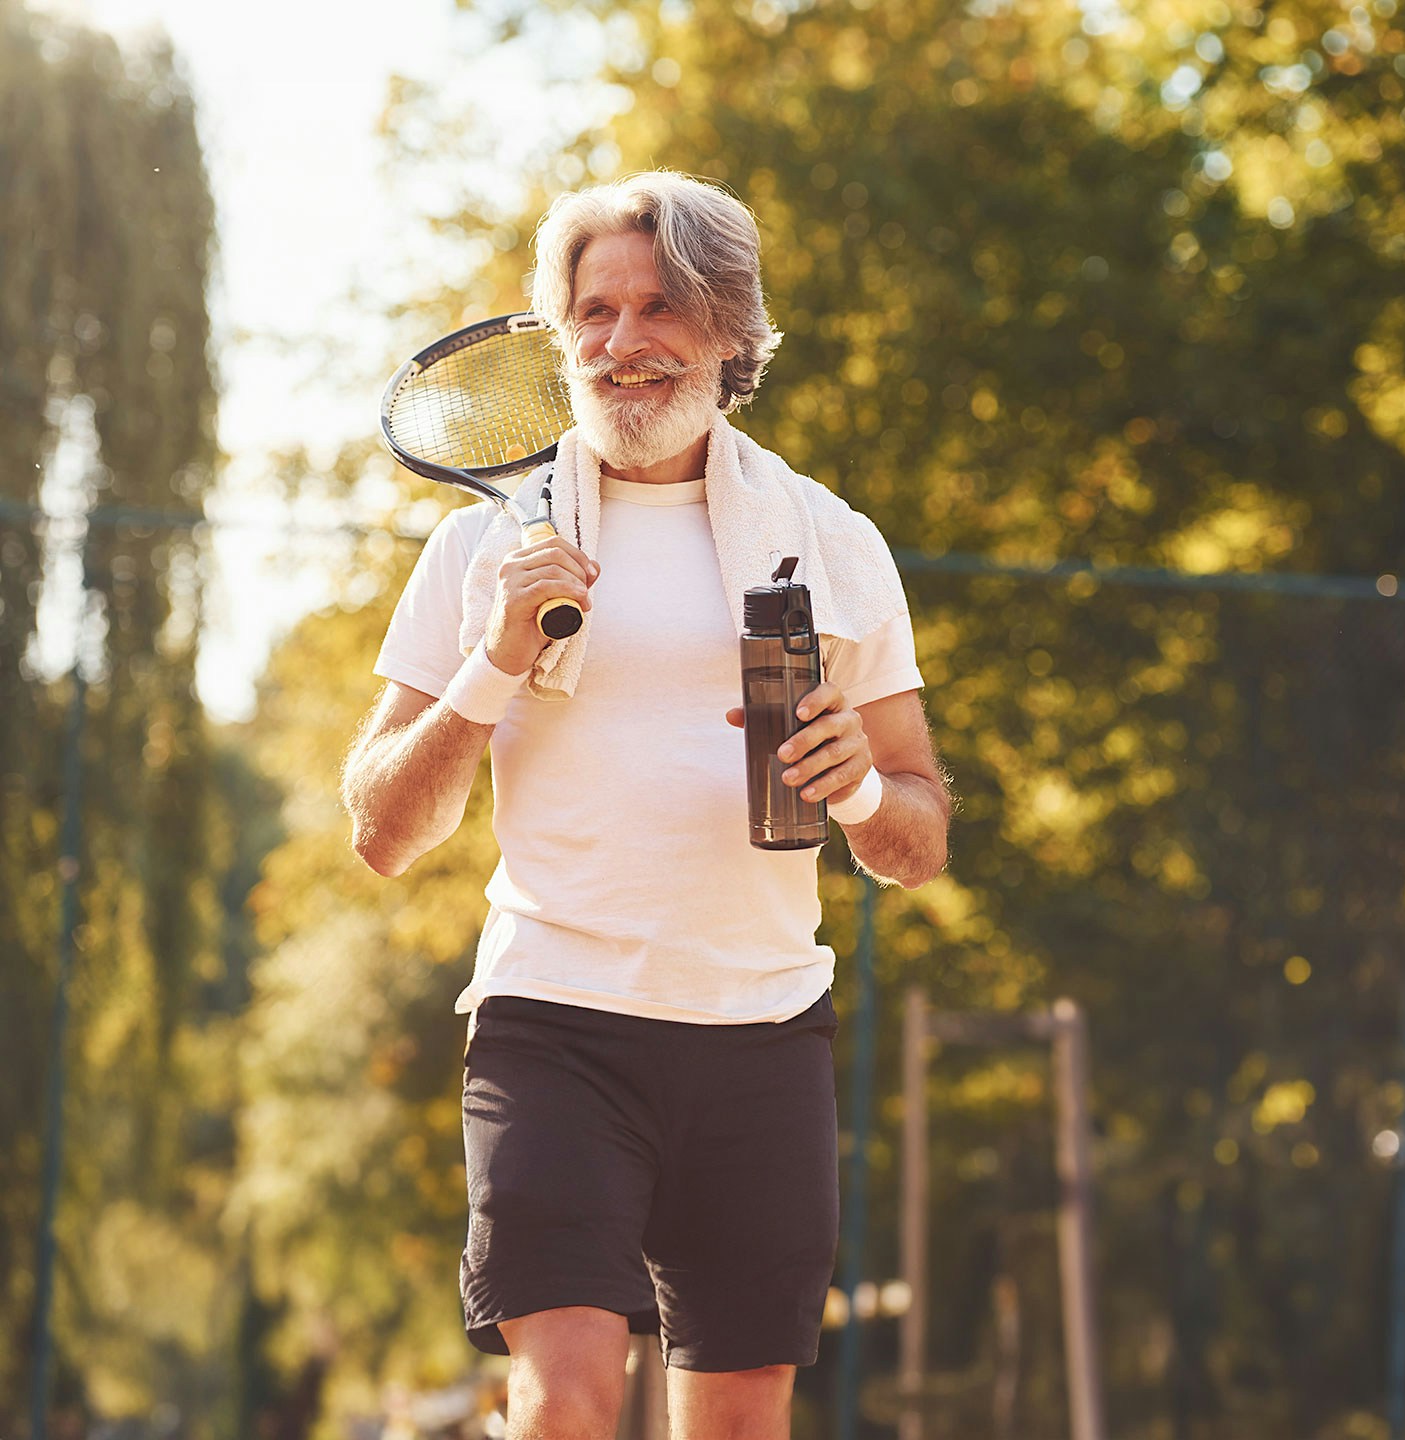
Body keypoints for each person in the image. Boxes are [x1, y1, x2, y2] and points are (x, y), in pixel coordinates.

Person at [342, 171, 951, 1440]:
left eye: (660, 307)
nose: (623, 343)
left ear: (730, 332)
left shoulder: (832, 544)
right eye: (595, 312)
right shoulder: (482, 554)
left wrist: (861, 790)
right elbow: (383, 831)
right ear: (561, 337)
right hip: (553, 1028)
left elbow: (921, 838)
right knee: (563, 1408)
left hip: (763, 1034)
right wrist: (494, 657)